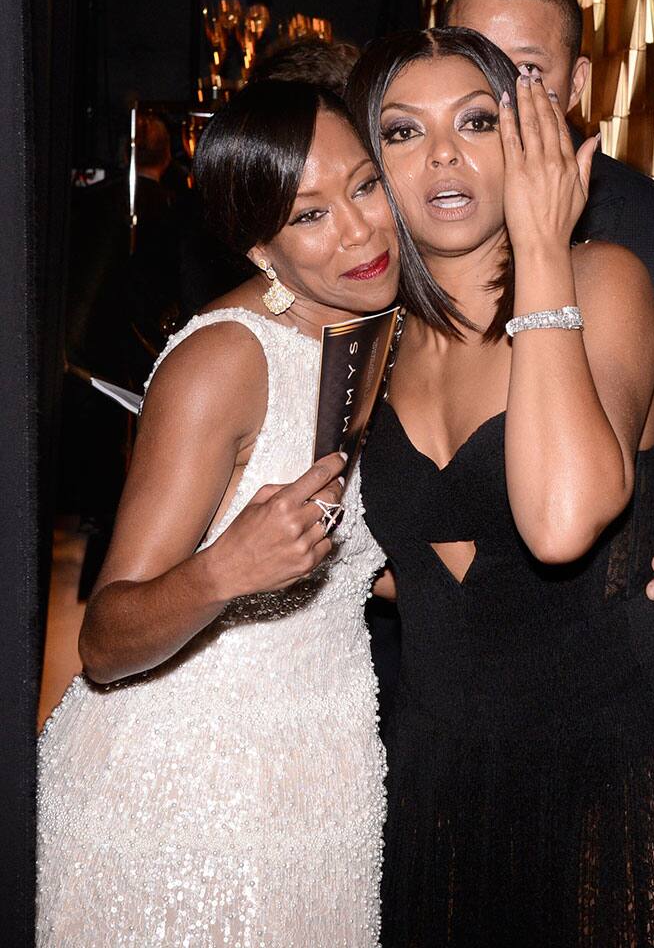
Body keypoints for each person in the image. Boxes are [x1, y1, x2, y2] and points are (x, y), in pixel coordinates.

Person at [346, 26, 654, 946]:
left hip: (623, 756)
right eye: (402, 132)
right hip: (443, 769)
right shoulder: (372, 341)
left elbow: (560, 522)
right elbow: (400, 560)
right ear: (372, 167)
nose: (441, 153)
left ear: (533, 140)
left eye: (476, 121)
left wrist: (542, 247)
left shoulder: (605, 280)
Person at [37, 80, 399, 946]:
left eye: (364, 186)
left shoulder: (395, 326)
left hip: (326, 784)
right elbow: (105, 640)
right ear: (261, 248)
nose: (357, 231)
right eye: (309, 215)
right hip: (176, 795)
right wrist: (223, 570)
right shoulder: (225, 362)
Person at [444, 0, 654, 643]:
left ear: (576, 84)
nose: (496, 99)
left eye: (526, 72)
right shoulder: (410, 218)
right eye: (470, 65)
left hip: (600, 640)